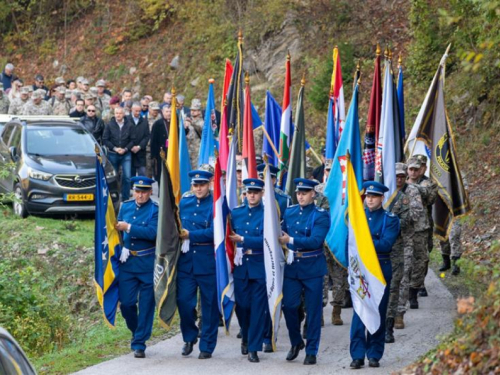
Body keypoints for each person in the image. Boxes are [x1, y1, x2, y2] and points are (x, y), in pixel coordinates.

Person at [279, 178, 330, 365]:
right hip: (293, 268)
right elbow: (281, 233)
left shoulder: (321, 215)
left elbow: (316, 241)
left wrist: (290, 240)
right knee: (289, 306)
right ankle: (296, 342)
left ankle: (311, 350)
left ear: (313, 194)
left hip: (312, 268)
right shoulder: (290, 212)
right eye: (298, 193)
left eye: (304, 193)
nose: (300, 196)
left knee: (314, 312)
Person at [349, 181, 400, 369]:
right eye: (368, 196)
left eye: (374, 196)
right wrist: (370, 242)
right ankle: (357, 355)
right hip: (360, 271)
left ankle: (374, 354)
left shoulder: (390, 219)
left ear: (382, 198)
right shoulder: (357, 218)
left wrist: (363, 244)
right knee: (358, 313)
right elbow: (350, 242)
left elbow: (386, 244)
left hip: (380, 269)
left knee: (377, 311)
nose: (369, 199)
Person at [115, 176, 158, 359]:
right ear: (133, 191)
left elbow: (153, 233)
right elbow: (117, 228)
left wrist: (130, 227)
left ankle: (139, 343)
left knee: (147, 305)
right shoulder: (125, 206)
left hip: (147, 262)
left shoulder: (155, 209)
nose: (140, 195)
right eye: (137, 191)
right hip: (128, 262)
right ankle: (136, 330)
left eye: (144, 192)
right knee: (127, 303)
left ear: (150, 192)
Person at [177, 170, 218, 359]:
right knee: (184, 301)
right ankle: (189, 336)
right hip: (186, 261)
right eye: (195, 185)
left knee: (209, 305)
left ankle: (207, 345)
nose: (198, 188)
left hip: (207, 259)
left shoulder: (216, 204)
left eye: (202, 184)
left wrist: (191, 235)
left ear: (209, 184)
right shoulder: (184, 203)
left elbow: (215, 232)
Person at [229, 178, 267, 363]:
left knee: (258, 308)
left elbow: (268, 240)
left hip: (259, 265)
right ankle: (245, 333)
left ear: (261, 193)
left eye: (255, 192)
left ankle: (254, 347)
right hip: (241, 266)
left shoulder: (268, 214)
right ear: (244, 194)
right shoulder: (236, 213)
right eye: (248, 192)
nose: (251, 195)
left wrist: (243, 239)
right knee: (243, 306)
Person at [385, 163, 423, 341]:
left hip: (404, 241)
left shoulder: (412, 191)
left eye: (401, 176)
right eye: (396, 176)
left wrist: (394, 222)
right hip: (384, 244)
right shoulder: (384, 191)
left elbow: (416, 214)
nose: (399, 179)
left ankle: (399, 312)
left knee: (403, 277)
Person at [315, 159, 349, 326]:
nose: (330, 173)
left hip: (338, 238)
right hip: (321, 239)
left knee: (339, 277)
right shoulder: (317, 190)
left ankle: (337, 310)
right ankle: (319, 311)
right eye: (328, 170)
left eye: (332, 170)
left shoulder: (345, 190)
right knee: (321, 277)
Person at [406, 156, 435, 308]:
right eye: (411, 169)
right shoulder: (400, 183)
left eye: (416, 169)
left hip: (420, 228)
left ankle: (414, 290)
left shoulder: (426, 183)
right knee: (405, 261)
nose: (413, 172)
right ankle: (404, 291)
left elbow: (430, 197)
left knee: (421, 260)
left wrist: (412, 187)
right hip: (404, 229)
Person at [413, 154, 438, 297]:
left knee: (424, 254)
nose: (418, 169)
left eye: (421, 166)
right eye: (416, 166)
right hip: (409, 224)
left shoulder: (429, 184)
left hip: (424, 224)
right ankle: (413, 284)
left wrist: (411, 187)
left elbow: (430, 199)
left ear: (424, 168)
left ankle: (420, 282)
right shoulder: (403, 180)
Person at [103, 106, 136, 200]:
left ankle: (125, 198)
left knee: (127, 177)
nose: (118, 115)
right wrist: (115, 148)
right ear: (114, 114)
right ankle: (114, 196)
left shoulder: (129, 125)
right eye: (116, 113)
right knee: (114, 176)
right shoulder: (109, 125)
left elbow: (133, 140)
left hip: (126, 154)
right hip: (113, 154)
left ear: (124, 114)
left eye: (120, 113)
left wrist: (125, 149)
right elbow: (105, 139)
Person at [128, 102, 150, 177]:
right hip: (129, 152)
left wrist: (139, 146)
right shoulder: (126, 120)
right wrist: (130, 146)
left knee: (142, 174)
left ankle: (141, 189)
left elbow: (147, 136)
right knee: (130, 175)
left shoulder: (144, 121)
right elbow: (124, 135)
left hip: (141, 152)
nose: (137, 113)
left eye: (139, 111)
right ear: (131, 110)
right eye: (136, 111)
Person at [150, 106, 171, 183]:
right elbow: (153, 141)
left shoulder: (176, 122)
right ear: (162, 112)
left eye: (170, 111)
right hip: (161, 153)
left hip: (173, 153)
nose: (169, 113)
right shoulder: (157, 124)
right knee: (161, 175)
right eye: (167, 111)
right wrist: (154, 156)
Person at [184, 98, 204, 169]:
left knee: (196, 169)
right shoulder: (187, 119)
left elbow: (201, 129)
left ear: (199, 111)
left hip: (197, 150)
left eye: (194, 110)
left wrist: (192, 123)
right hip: (187, 149)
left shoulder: (202, 121)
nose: (192, 112)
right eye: (191, 110)